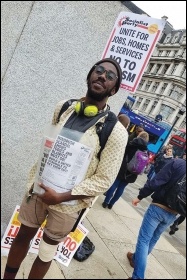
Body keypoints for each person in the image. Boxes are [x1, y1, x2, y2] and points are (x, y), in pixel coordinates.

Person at [3, 58, 129, 279]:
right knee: (23, 235)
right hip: (39, 190)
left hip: (69, 205)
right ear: (89, 75)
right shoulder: (63, 108)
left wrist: (61, 196)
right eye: (99, 71)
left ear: (115, 88)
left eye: (110, 76)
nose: (102, 76)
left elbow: (105, 179)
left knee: (46, 252)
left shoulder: (116, 132)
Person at [126, 157, 186, 279]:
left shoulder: (177, 163)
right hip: (173, 213)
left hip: (159, 207)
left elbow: (156, 181)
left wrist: (140, 196)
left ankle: (137, 277)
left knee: (144, 240)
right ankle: (135, 258)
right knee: (153, 239)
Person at [102, 131, 149, 209]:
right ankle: (111, 204)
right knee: (121, 188)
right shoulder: (146, 150)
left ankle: (106, 202)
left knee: (114, 185)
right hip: (133, 172)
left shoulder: (132, 144)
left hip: (123, 167)